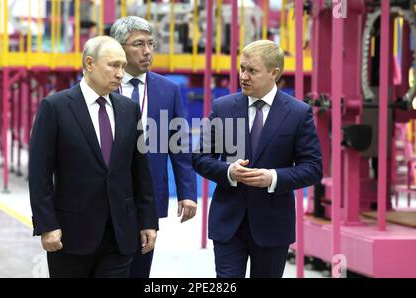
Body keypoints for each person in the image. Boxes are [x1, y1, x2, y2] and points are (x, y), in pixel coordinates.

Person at [29, 36, 158, 278]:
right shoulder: (55, 107)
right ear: (89, 63)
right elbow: (39, 175)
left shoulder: (128, 110)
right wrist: (47, 226)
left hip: (119, 235)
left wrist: (148, 220)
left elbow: (140, 170)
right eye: (113, 65)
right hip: (70, 236)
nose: (121, 74)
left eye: (122, 65)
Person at [192, 40, 322, 278]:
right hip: (228, 224)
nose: (244, 76)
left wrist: (273, 177)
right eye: (242, 68)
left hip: (272, 226)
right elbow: (201, 157)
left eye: (252, 70)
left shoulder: (298, 112)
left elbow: (313, 168)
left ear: (274, 73)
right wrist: (229, 172)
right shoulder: (223, 107)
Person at [110, 16, 197, 278]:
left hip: (147, 195)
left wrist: (187, 192)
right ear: (118, 47)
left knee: (140, 267)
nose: (147, 51)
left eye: (151, 44)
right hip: (107, 192)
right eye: (138, 44)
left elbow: (179, 144)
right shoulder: (103, 86)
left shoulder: (167, 90)